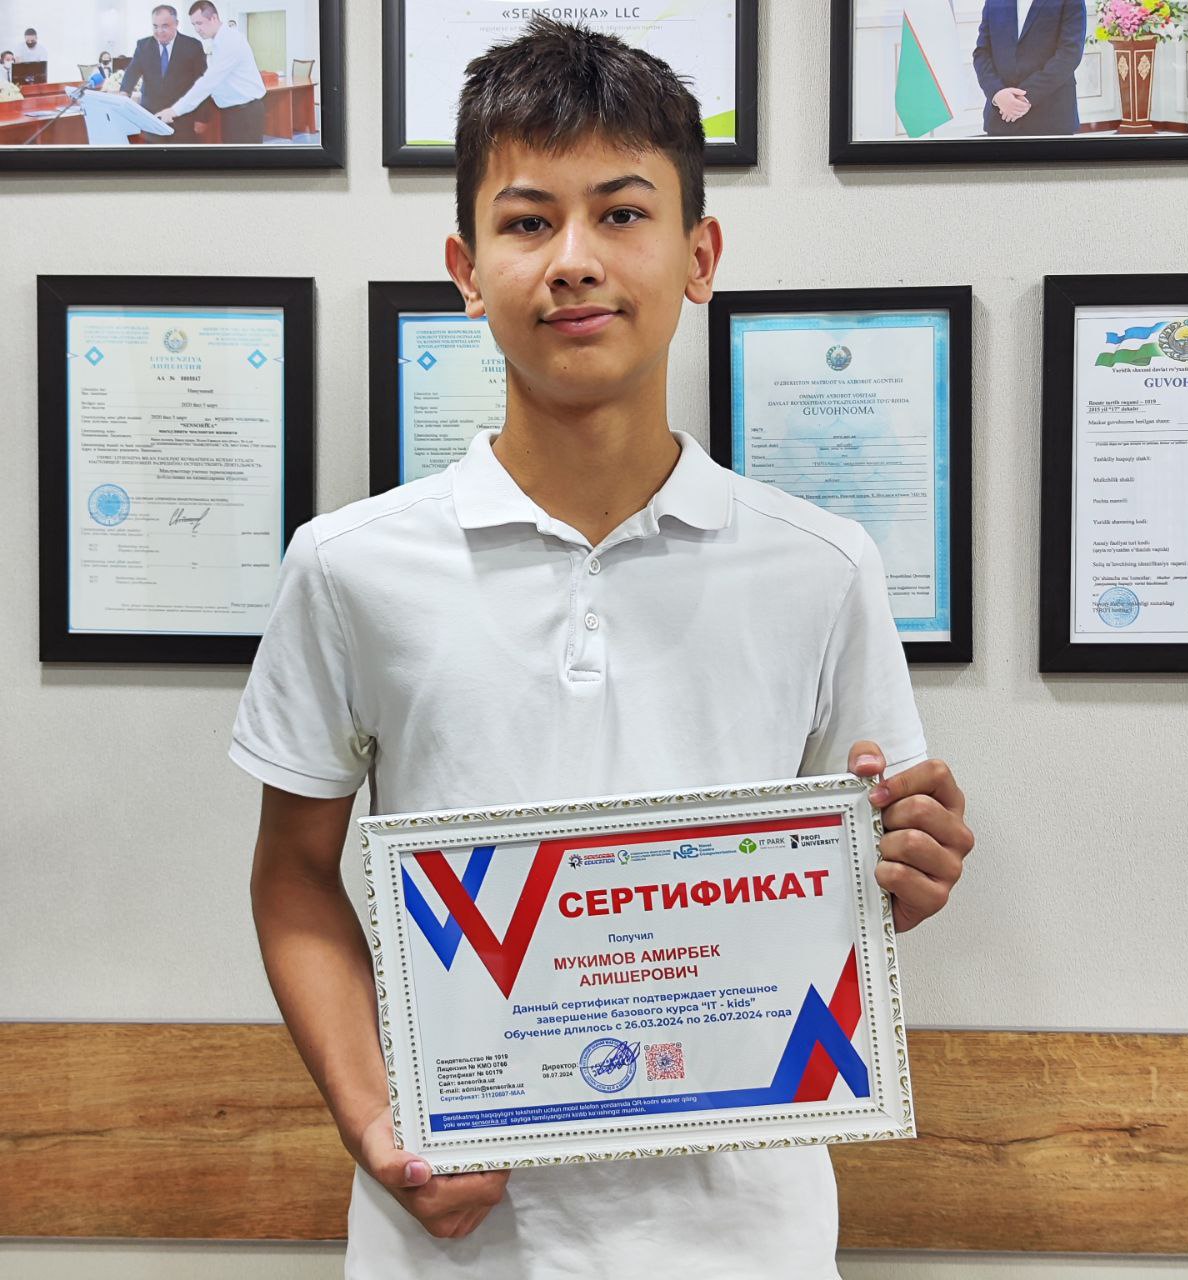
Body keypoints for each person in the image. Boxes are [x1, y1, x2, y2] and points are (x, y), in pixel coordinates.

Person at [233, 17, 973, 1280]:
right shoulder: (349, 564)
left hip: (744, 1240)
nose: (573, 260)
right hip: (456, 1243)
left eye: (621, 213)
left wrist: (900, 865)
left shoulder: (822, 564)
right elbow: (294, 874)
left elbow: (842, 880)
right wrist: (375, 1122)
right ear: (467, 270)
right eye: (527, 222)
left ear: (698, 254)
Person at [973, 0, 1087, 137]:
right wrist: (997, 93)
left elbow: (1069, 54)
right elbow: (982, 53)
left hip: (1051, 120)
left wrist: (1025, 97)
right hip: (1001, 118)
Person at [157, 1, 265, 143]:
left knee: (244, 156)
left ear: (213, 18)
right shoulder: (218, 41)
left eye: (199, 23)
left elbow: (209, 82)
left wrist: (174, 110)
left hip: (244, 113)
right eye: (194, 24)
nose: (197, 29)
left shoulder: (230, 41)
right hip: (233, 112)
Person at [114, 5, 208, 144]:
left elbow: (202, 83)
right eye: (155, 26)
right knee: (153, 157)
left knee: (181, 156)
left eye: (165, 26)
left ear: (176, 24)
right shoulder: (143, 46)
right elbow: (132, 72)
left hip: (182, 118)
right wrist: (124, 93)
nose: (159, 31)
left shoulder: (192, 46)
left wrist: (202, 118)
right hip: (152, 119)